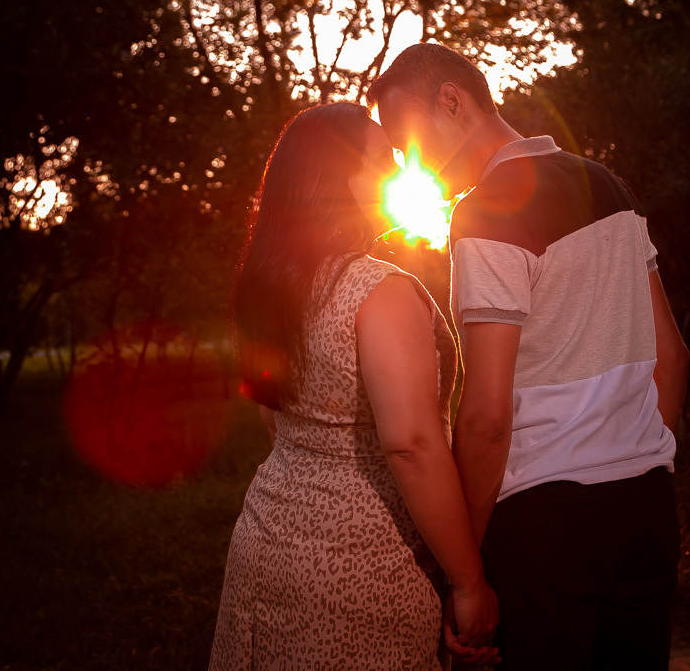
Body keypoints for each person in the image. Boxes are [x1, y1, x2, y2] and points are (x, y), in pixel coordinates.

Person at [368, 43, 690, 670]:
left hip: (548, 526)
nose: (410, 164)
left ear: (451, 102)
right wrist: (637, 462)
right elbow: (672, 357)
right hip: (646, 508)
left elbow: (487, 416)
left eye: (406, 140)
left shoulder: (487, 211)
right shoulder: (608, 184)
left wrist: (469, 563)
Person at [209, 102, 500, 670]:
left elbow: (275, 417)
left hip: (266, 542)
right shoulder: (381, 292)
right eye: (385, 157)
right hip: (361, 568)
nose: (399, 168)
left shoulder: (272, 283)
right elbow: (412, 444)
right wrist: (469, 582)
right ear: (341, 178)